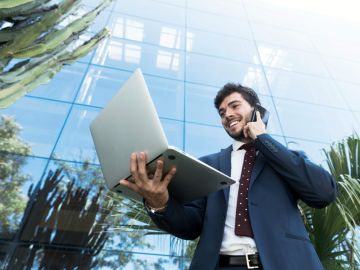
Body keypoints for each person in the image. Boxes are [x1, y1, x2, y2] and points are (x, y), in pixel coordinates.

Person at [119, 83, 338, 270]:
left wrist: (263, 139)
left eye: (234, 106)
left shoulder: (285, 159)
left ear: (257, 111)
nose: (227, 115)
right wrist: (160, 204)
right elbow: (190, 226)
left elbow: (324, 193)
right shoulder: (208, 165)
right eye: (222, 113)